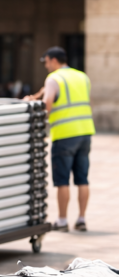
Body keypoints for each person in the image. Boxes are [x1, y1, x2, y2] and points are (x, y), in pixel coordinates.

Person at [24, 46, 95, 232]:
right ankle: (81, 219)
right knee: (82, 179)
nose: (46, 66)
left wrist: (33, 108)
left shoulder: (54, 79)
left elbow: (47, 106)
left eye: (46, 62)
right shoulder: (82, 76)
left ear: (54, 60)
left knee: (62, 180)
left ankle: (62, 221)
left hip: (64, 135)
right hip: (85, 132)